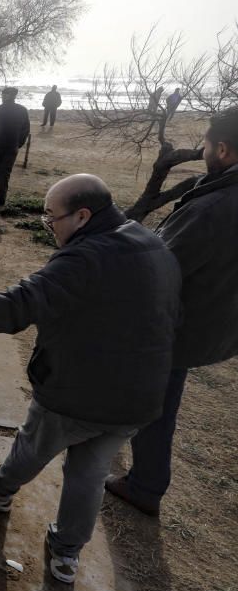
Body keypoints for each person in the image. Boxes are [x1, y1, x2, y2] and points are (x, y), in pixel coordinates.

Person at [0, 174, 181, 584]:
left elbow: (24, 301)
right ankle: (66, 554)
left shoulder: (86, 258)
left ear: (83, 215)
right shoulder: (150, 242)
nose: (48, 225)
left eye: (52, 217)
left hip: (79, 390)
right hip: (139, 396)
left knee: (36, 442)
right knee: (89, 473)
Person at [106, 107, 238, 516]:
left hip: (182, 321)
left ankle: (146, 484)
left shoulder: (213, 208)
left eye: (204, 144)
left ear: (222, 148)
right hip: (215, 315)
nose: (201, 151)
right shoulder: (217, 192)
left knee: (156, 402)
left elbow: (161, 266)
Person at [0, 86, 30, 206]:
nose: (2, 96)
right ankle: (1, 198)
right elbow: (25, 130)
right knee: (5, 172)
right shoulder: (22, 110)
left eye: (3, 94)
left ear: (7, 95)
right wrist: (18, 144)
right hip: (11, 146)